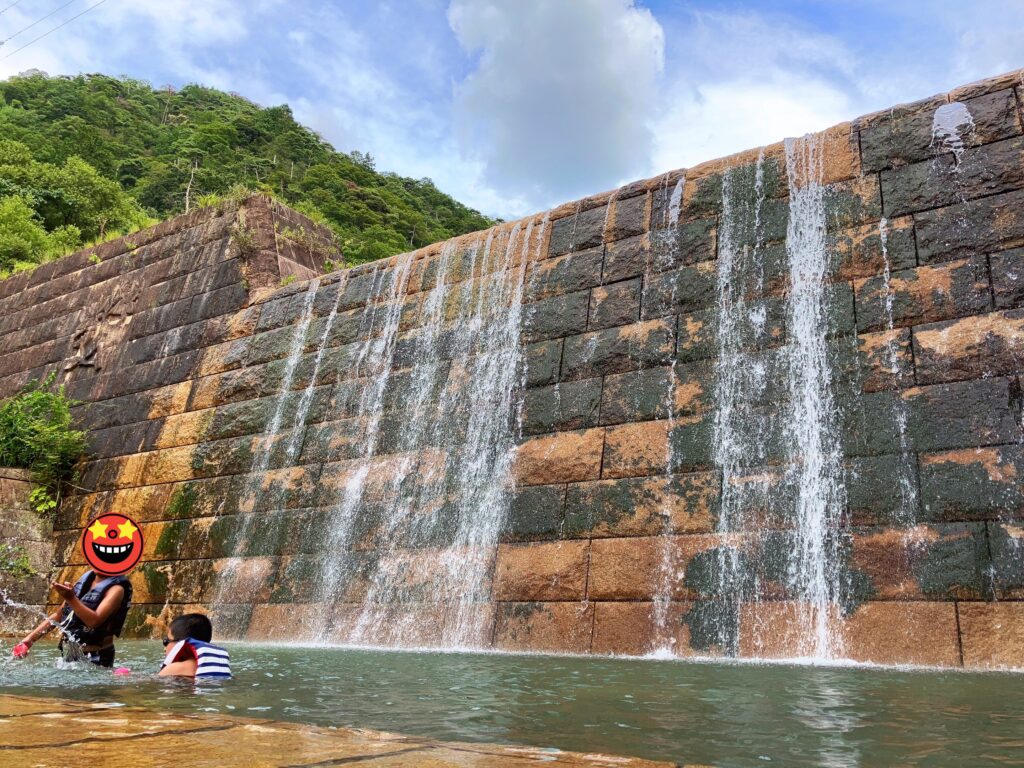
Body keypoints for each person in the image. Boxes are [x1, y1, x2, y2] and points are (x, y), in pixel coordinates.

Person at [13, 569, 133, 668]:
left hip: (97, 658)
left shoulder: (116, 589)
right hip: (70, 655)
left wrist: (71, 598)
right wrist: (29, 641)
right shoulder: (86, 579)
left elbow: (94, 621)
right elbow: (59, 616)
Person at [159, 613, 231, 680]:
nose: (165, 647)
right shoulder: (216, 668)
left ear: (182, 643)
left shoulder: (174, 668)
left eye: (166, 641)